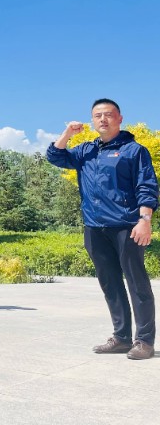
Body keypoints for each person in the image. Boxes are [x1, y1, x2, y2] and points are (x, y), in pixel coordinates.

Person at [47, 98, 159, 360]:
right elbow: (55, 156)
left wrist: (144, 219)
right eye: (97, 115)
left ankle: (144, 341)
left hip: (126, 226)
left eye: (108, 114)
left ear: (119, 119)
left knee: (137, 283)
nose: (103, 119)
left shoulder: (134, 150)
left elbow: (147, 186)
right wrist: (67, 133)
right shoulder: (85, 151)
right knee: (110, 283)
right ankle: (121, 338)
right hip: (95, 228)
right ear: (92, 120)